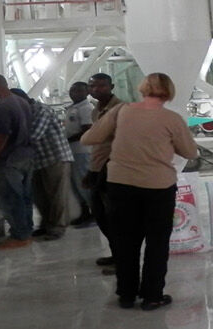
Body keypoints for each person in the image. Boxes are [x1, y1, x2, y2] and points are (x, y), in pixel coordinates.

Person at [81, 72, 198, 311]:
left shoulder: (120, 111)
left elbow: (89, 138)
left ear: (142, 88)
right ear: (168, 92)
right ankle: (152, 295)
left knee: (125, 241)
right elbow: (190, 152)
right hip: (158, 186)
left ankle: (126, 294)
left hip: (120, 184)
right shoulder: (171, 119)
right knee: (157, 243)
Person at [0, 76, 39, 250]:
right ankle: (26, 232)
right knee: (24, 197)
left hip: (9, 158)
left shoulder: (2, 106)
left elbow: (2, 136)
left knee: (10, 198)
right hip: (26, 155)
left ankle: (19, 236)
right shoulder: (22, 102)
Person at [9, 87, 75, 240]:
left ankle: (58, 227)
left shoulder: (41, 111)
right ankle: (46, 225)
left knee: (56, 195)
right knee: (40, 196)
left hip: (55, 158)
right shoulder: (24, 113)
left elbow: (34, 135)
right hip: (38, 160)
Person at [84, 73, 124, 274]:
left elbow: (121, 143)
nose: (97, 89)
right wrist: (91, 171)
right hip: (97, 167)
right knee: (100, 215)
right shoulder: (97, 110)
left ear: (111, 86)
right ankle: (117, 254)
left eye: (101, 86)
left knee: (114, 217)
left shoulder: (120, 110)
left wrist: (105, 170)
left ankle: (123, 260)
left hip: (112, 170)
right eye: (93, 86)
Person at [64, 81, 96, 227]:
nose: (74, 93)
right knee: (76, 184)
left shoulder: (86, 108)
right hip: (73, 151)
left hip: (83, 151)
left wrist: (66, 140)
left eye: (78, 91)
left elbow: (87, 130)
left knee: (84, 182)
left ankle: (95, 214)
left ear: (86, 92)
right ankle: (85, 212)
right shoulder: (73, 108)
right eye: (72, 90)